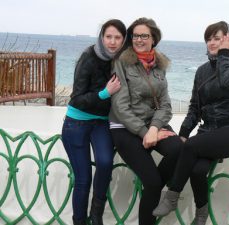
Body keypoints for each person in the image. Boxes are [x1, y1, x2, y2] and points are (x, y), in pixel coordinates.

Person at [152, 21, 229, 225]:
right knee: (197, 170)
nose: (212, 42)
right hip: (208, 132)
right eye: (209, 39)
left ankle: (171, 196)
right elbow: (195, 107)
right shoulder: (202, 71)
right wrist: (183, 133)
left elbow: (227, 82)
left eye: (218, 38)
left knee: (191, 147)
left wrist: (224, 54)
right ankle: (201, 213)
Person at [109, 17, 183, 225]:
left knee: (178, 149)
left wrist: (154, 128)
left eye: (144, 35)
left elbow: (166, 105)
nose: (139, 39)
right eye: (136, 36)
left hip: (152, 125)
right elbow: (120, 107)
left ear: (153, 39)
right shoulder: (121, 62)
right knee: (152, 183)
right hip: (125, 128)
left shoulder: (160, 64)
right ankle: (153, 191)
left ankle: (154, 188)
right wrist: (145, 132)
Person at [61, 19, 126, 225]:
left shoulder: (122, 60)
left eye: (117, 37)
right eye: (108, 37)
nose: (113, 42)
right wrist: (105, 93)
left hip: (101, 123)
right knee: (83, 179)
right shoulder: (88, 58)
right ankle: (79, 221)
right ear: (101, 37)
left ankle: (96, 215)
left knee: (106, 163)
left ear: (124, 39)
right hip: (77, 123)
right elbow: (77, 98)